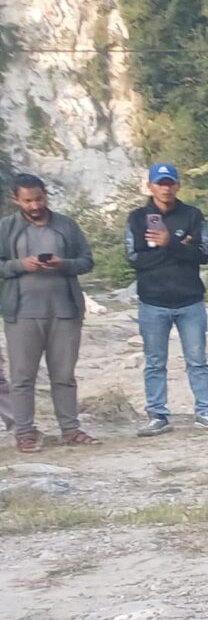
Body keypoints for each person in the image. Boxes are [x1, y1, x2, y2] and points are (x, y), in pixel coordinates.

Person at [1, 174, 100, 450]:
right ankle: (24, 433)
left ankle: (70, 429)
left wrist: (63, 264)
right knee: (22, 376)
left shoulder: (66, 225)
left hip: (65, 311)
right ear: (16, 200)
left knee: (64, 375)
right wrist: (21, 265)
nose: (34, 205)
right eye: (28, 200)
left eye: (39, 198)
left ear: (46, 194)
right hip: (21, 312)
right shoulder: (7, 228)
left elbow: (86, 261)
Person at [125, 163, 208, 435]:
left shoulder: (192, 215)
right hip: (152, 301)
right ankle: (158, 415)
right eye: (160, 183)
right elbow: (134, 259)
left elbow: (203, 254)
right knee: (155, 362)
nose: (165, 188)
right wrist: (179, 248)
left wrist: (170, 243)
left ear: (178, 185)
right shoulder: (137, 217)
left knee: (197, 359)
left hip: (190, 300)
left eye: (170, 183)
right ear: (150, 186)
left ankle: (205, 411)